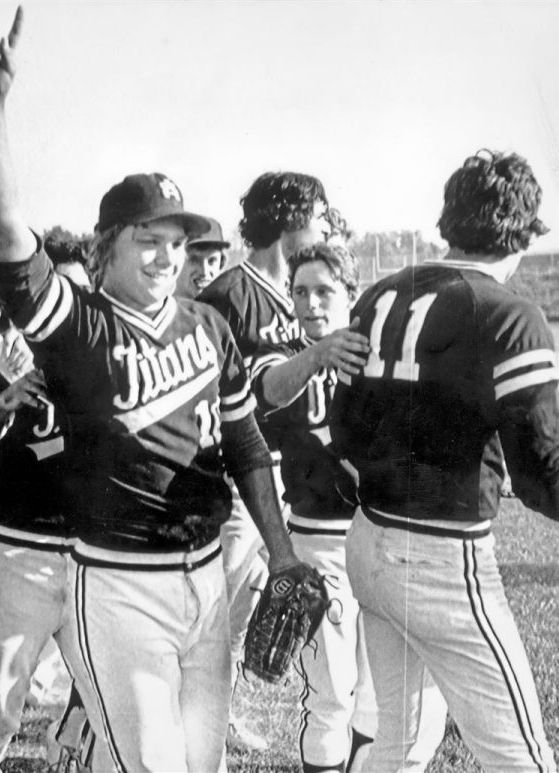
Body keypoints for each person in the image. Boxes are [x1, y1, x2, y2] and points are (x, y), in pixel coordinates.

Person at [0, 10, 307, 771]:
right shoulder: (80, 327)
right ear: (103, 248)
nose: (165, 256)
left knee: (202, 762)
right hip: (117, 584)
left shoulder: (207, 327)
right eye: (147, 240)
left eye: (176, 243)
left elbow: (246, 443)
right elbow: (6, 239)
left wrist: (280, 554)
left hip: (206, 577)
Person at [331, 149, 559, 773]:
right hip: (441, 557)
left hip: (369, 537)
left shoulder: (381, 293)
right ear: (524, 228)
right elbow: (540, 472)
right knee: (522, 756)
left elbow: (343, 427)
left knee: (400, 744)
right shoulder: (509, 313)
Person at [255, 243, 447, 773]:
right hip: (315, 542)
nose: (311, 303)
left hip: (380, 537)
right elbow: (267, 390)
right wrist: (320, 353)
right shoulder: (285, 353)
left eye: (324, 291)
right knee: (331, 696)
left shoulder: (380, 356)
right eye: (299, 291)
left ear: (351, 294)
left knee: (378, 698)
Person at [198, 171, 334, 746]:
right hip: (236, 480)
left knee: (242, 615)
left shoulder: (300, 290)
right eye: (319, 215)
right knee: (209, 617)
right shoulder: (230, 293)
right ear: (290, 218)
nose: (325, 226)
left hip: (286, 477)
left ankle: (214, 715)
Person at [0, 274, 73, 773]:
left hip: (94, 552)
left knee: (113, 700)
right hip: (15, 547)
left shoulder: (101, 360)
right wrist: (6, 398)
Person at [175, 217, 229, 300]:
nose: (204, 271)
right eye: (194, 260)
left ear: (221, 263)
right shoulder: (157, 308)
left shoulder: (222, 310)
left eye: (212, 261)